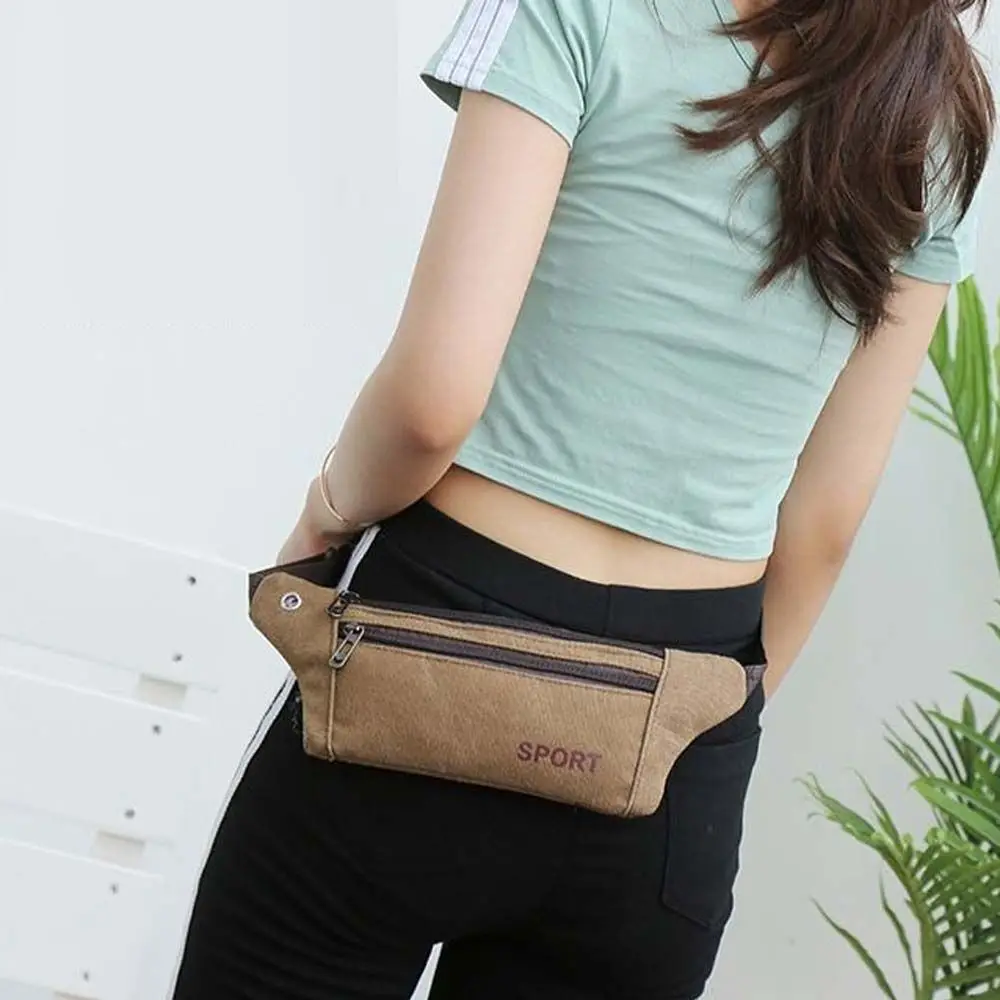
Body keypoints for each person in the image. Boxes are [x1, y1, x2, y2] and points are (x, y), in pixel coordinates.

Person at [171, 0, 994, 996]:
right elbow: (823, 524)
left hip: (427, 649)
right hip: (672, 738)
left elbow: (433, 403)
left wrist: (325, 514)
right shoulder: (937, 105)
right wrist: (686, 738)